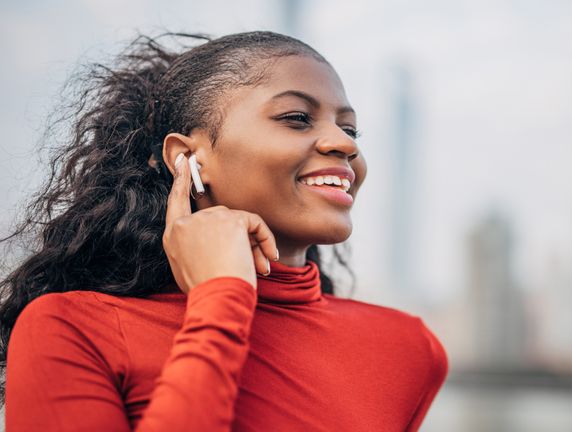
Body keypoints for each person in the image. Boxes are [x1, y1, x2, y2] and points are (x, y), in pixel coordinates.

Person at [1, 31, 448, 431]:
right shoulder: (71, 328)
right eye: (296, 117)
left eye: (349, 128)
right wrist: (221, 300)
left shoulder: (407, 349)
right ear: (187, 158)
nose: (346, 144)